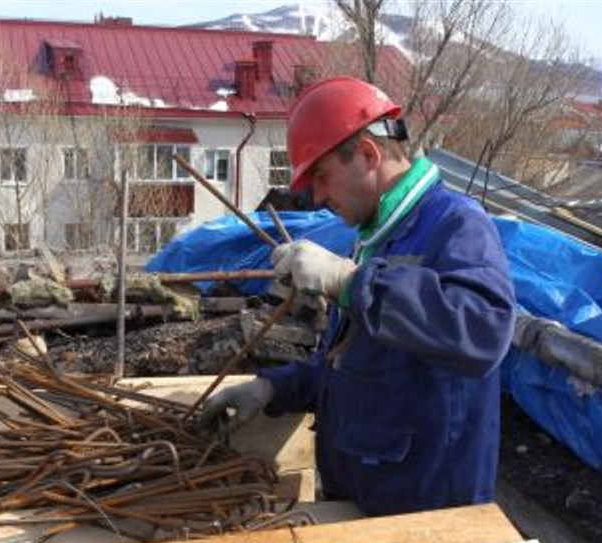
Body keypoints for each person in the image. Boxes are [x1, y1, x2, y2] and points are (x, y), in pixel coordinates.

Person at [199, 76, 516, 516]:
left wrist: (350, 281)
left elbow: (484, 331)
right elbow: (357, 365)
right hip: (367, 497)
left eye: (323, 176)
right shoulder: (377, 238)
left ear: (369, 153)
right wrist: (273, 388)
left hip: (426, 515)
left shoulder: (456, 224)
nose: (319, 196)